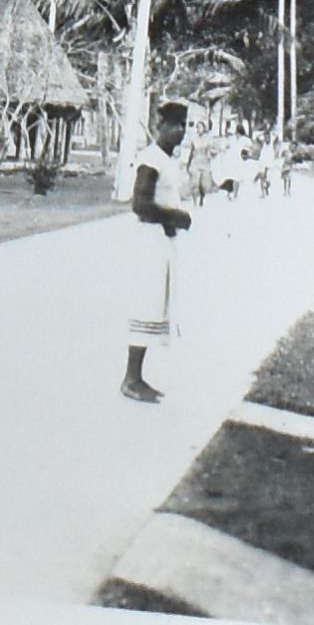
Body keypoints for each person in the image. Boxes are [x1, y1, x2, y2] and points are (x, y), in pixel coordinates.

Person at [120, 92, 196, 402]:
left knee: (156, 306)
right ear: (160, 125)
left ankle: (137, 377)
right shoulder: (150, 158)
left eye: (184, 125)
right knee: (146, 305)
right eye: (175, 125)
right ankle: (130, 379)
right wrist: (175, 216)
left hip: (162, 240)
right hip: (148, 240)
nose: (180, 131)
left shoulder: (168, 160)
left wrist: (173, 219)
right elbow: (140, 204)